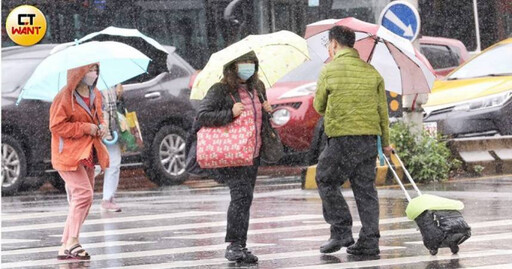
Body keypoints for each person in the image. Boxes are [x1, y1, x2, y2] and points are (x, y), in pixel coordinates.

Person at [313, 26, 393, 256]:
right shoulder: (372, 72)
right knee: (365, 190)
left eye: (329, 44)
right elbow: (382, 112)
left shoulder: (329, 70)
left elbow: (319, 106)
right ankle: (369, 241)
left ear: (335, 43)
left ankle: (340, 230)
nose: (329, 48)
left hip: (341, 139)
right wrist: (385, 143)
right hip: (368, 140)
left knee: (326, 179)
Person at [194, 51, 272, 263]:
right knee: (240, 197)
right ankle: (234, 245)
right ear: (232, 66)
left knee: (246, 198)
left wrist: (267, 110)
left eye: (251, 63)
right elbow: (202, 116)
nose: (248, 67)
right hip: (233, 153)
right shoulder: (221, 90)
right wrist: (230, 113)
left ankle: (241, 245)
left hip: (252, 153)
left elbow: (259, 120)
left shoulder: (258, 88)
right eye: (243, 63)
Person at [50, 64, 109, 260]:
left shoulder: (96, 94)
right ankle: (73, 241)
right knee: (83, 194)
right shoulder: (65, 97)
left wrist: (101, 127)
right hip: (68, 154)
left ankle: (66, 244)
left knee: (84, 198)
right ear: (79, 72)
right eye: (90, 69)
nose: (94, 73)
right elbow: (57, 126)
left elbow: (99, 117)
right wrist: (85, 127)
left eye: (96, 69)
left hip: (88, 152)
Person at [101, 83, 125, 212]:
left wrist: (119, 91)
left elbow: (114, 106)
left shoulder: (110, 80)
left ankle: (108, 198)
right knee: (93, 166)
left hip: (112, 128)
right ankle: (76, 192)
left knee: (114, 163)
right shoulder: (87, 83)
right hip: (96, 129)